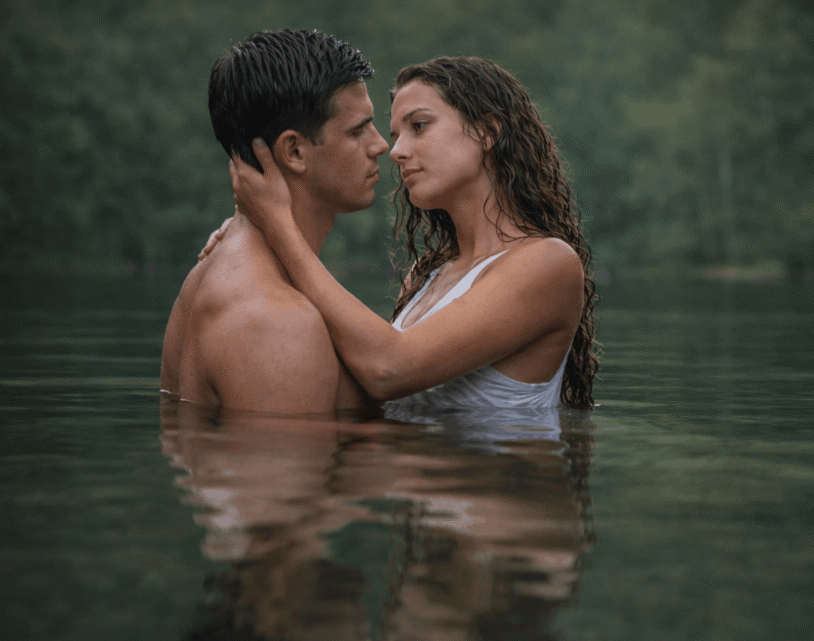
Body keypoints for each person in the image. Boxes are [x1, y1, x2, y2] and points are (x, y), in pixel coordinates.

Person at [230, 56, 599, 409]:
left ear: (486, 132)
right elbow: (369, 382)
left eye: (419, 126)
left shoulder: (548, 263)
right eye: (396, 135)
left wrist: (278, 225)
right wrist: (245, 237)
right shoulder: (428, 274)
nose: (396, 151)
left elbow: (389, 369)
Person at [160, 29, 389, 412]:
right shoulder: (277, 324)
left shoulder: (205, 278)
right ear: (294, 151)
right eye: (357, 131)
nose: (381, 144)